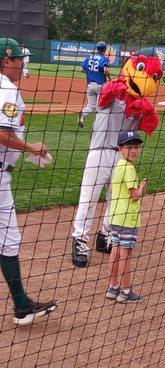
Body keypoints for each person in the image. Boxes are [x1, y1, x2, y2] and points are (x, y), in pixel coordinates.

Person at [71, 48, 162, 268]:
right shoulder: (112, 89)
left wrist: (148, 112)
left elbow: (148, 127)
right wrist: (116, 88)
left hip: (122, 158)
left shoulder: (140, 103)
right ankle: (80, 239)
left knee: (116, 199)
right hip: (99, 151)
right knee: (89, 197)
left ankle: (105, 236)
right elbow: (103, 99)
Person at [0, 38, 58, 325]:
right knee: (8, 241)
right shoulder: (6, 89)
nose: (24, 63)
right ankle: (21, 306)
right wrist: (30, 148)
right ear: (6, 60)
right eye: (20, 58)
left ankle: (22, 304)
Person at [105, 131, 146, 303]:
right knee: (126, 255)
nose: (134, 151)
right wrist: (143, 186)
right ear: (120, 149)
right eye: (129, 147)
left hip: (115, 216)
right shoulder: (129, 168)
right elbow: (135, 195)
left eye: (136, 147)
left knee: (115, 250)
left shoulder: (119, 165)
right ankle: (126, 291)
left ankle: (112, 287)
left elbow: (112, 190)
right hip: (128, 218)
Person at [77, 41, 111, 128]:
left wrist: (90, 72)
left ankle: (82, 114)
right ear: (105, 49)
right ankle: (98, 125)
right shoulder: (104, 58)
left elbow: (81, 69)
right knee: (101, 107)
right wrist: (109, 78)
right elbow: (106, 70)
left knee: (91, 106)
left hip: (90, 85)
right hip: (100, 86)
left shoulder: (89, 57)